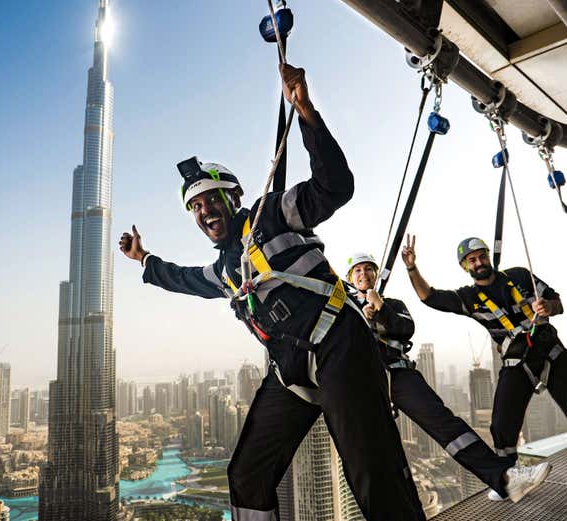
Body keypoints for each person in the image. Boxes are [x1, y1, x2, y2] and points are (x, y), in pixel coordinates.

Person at [119, 63, 425, 521]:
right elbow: (181, 278)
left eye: (210, 200)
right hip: (291, 373)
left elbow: (334, 187)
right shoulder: (223, 270)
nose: (203, 213)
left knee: (373, 478)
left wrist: (305, 112)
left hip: (340, 346)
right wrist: (145, 260)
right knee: (246, 475)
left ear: (233, 198)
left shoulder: (273, 214)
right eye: (195, 208)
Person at [347, 252, 550, 502]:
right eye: (358, 270)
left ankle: (505, 478)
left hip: (397, 373)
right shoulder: (344, 309)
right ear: (350, 278)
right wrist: (360, 314)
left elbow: (405, 329)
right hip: (360, 380)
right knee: (366, 450)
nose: (364, 274)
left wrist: (380, 308)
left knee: (445, 425)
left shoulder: (394, 305)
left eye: (369, 269)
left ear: (376, 275)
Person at [402, 234, 560, 497]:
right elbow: (429, 297)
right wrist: (411, 267)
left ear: (489, 256)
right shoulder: (470, 298)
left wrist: (548, 308)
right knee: (500, 424)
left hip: (551, 351)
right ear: (466, 267)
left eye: (481, 256)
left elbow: (558, 304)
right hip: (517, 361)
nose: (478, 263)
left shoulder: (520, 277)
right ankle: (511, 479)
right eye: (472, 260)